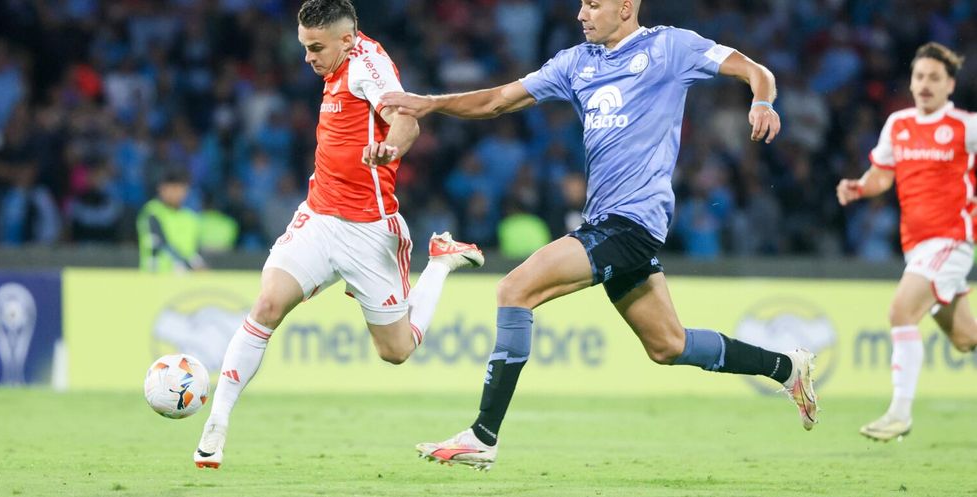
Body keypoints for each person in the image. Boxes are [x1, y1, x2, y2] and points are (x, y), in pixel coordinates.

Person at [382, 0, 817, 470]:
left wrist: (762, 101)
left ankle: (482, 436)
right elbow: (498, 100)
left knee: (514, 289)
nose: (581, 14)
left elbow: (755, 71)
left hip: (633, 222)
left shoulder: (671, 47)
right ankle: (787, 367)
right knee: (667, 345)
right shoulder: (576, 62)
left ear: (625, 7)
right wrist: (432, 104)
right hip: (605, 222)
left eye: (593, 4)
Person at [193, 0, 484, 469]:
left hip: (370, 230)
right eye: (304, 46)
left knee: (397, 351)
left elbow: (406, 120)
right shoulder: (335, 62)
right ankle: (216, 425)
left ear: (347, 40)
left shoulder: (370, 65)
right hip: (319, 217)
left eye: (316, 48)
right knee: (267, 305)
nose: (307, 57)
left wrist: (390, 149)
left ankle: (441, 261)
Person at [836, 42, 977, 442]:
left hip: (952, 242)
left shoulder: (967, 126)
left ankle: (899, 413)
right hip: (916, 246)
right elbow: (883, 175)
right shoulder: (898, 124)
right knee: (965, 339)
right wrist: (860, 187)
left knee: (901, 312)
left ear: (950, 85)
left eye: (935, 78)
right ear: (911, 82)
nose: (925, 84)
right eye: (919, 76)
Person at [137, 167, 205, 272]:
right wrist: (189, 265)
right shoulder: (152, 212)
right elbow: (160, 244)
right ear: (161, 188)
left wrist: (199, 265)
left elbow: (196, 251)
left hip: (185, 278)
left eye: (179, 189)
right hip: (155, 276)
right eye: (171, 188)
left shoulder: (191, 218)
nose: (175, 193)